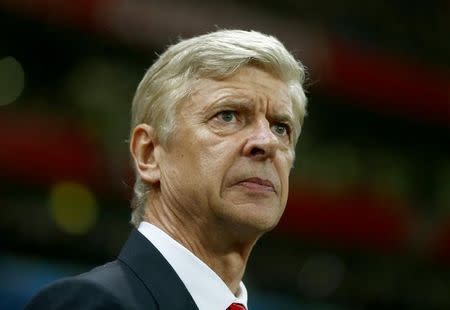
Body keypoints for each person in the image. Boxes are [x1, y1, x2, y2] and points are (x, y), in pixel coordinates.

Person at [26, 29, 307, 310]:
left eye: (280, 128)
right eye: (228, 116)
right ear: (148, 154)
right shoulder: (92, 304)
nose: (267, 142)